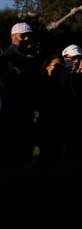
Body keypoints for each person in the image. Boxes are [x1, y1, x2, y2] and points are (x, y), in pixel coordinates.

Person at [0, 22, 38, 165]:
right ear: (13, 37)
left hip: (26, 114)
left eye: (29, 36)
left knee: (25, 154)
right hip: (11, 115)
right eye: (23, 36)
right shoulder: (6, 58)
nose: (27, 39)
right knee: (11, 157)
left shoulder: (27, 59)